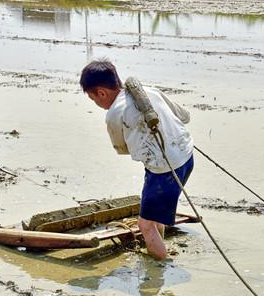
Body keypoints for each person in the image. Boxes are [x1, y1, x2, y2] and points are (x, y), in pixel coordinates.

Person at [80, 59, 193, 260]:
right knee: (153, 216)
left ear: (102, 93)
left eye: (93, 99)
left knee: (145, 224)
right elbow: (184, 117)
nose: (97, 104)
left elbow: (121, 148)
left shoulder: (115, 113)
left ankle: (161, 265)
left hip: (163, 171)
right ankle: (160, 248)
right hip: (186, 158)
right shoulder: (150, 91)